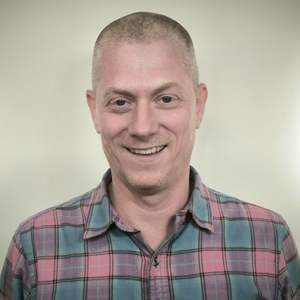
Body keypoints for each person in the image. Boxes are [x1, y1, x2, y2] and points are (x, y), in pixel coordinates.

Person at [0, 12, 299, 300]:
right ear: (95, 111)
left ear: (198, 106)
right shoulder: (34, 248)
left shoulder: (269, 242)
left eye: (166, 99)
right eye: (120, 101)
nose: (142, 127)